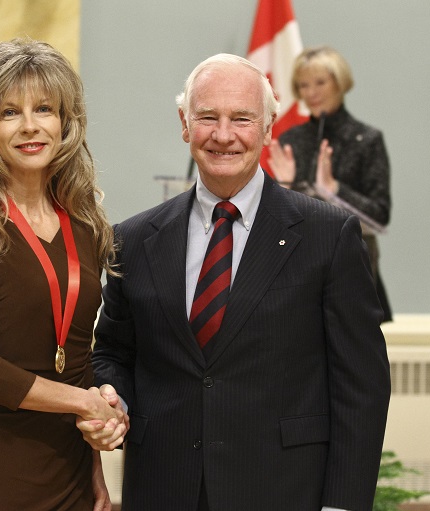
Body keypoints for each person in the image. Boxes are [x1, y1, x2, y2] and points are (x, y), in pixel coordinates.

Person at [79, 54, 391, 511]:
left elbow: (361, 385)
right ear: (185, 124)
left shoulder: (328, 236)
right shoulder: (133, 239)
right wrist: (113, 397)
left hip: (285, 490)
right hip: (164, 488)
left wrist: (342, 504)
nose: (223, 135)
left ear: (268, 128)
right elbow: (113, 352)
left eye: (241, 119)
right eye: (208, 117)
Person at [0, 39, 127, 511]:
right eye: (10, 112)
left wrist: (95, 461)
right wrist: (84, 404)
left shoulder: (86, 226)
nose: (31, 126)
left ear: (65, 122)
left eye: (45, 109)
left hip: (68, 470)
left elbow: (76, 360)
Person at [269, 45, 393, 321]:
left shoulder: (367, 140)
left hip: (352, 268)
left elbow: (380, 218)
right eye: (303, 85)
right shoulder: (290, 140)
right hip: (298, 268)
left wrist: (334, 190)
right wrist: (284, 187)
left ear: (340, 82)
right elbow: (282, 216)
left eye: (320, 83)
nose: (311, 93)